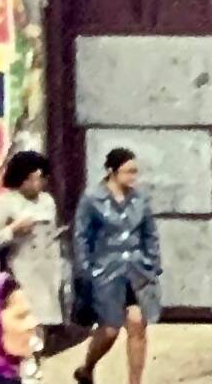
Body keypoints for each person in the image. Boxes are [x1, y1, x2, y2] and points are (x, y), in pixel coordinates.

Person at [72, 147, 161, 384]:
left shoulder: (140, 199)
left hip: (136, 270)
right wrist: (85, 270)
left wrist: (152, 263)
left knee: (137, 323)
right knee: (110, 328)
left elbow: (150, 233)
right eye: (128, 171)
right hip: (105, 271)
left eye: (135, 172)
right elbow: (81, 236)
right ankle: (87, 366)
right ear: (112, 171)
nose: (133, 177)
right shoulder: (92, 199)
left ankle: (135, 382)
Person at [0, 151, 67, 348]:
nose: (36, 185)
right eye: (30, 180)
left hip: (48, 269)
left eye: (40, 179)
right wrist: (14, 229)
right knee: (26, 321)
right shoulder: (5, 202)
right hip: (21, 269)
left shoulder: (47, 201)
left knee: (46, 325)